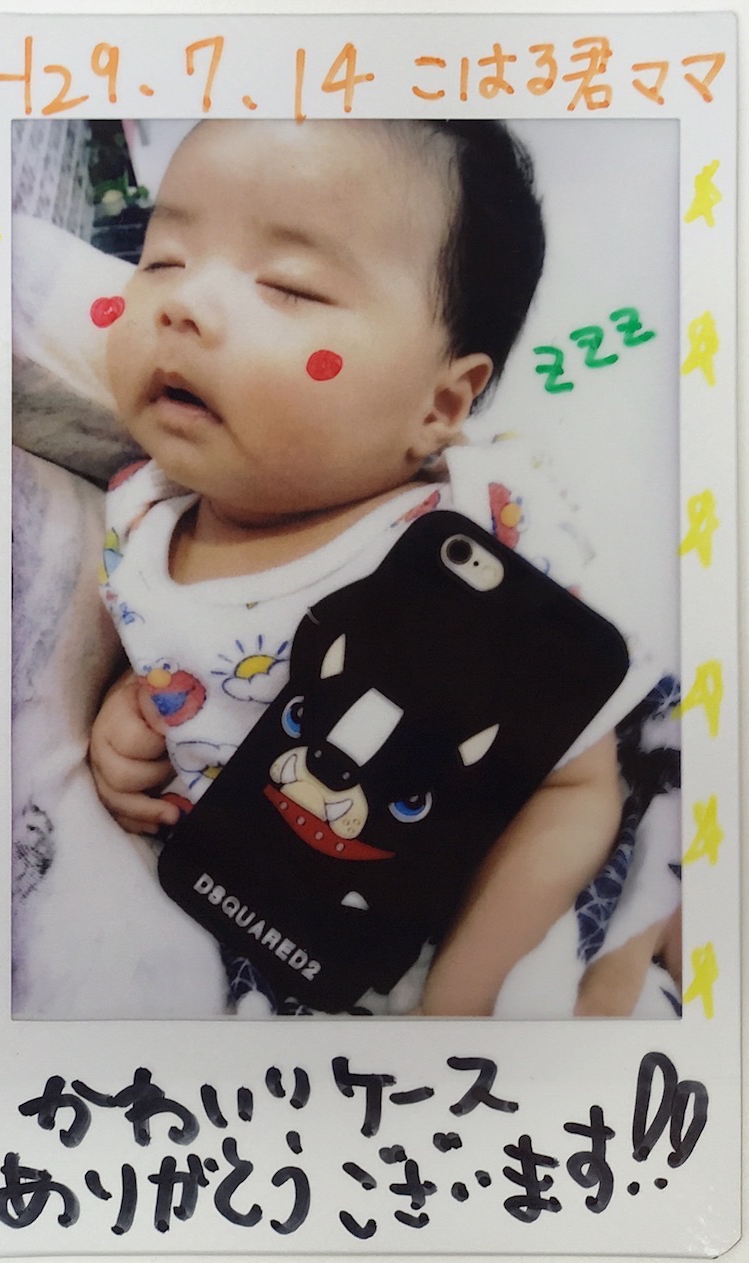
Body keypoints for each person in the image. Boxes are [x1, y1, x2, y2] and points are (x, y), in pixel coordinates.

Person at [88, 117, 637, 1016]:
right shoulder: (136, 513)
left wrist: (457, 1001)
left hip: (427, 921)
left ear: (440, 404)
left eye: (287, 284)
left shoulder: (473, 538)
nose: (181, 305)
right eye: (162, 259)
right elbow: (182, 651)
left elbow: (574, 785)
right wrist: (132, 706)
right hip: (242, 901)